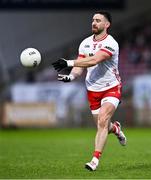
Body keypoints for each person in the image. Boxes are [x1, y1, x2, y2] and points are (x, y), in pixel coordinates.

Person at [52, 11, 127, 171]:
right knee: (104, 126)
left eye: (98, 20)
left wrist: (68, 62)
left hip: (111, 87)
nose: (94, 23)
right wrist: (71, 77)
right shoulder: (85, 43)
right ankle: (116, 129)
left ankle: (95, 160)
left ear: (107, 25)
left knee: (102, 121)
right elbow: (80, 66)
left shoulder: (111, 43)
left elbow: (95, 59)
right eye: (93, 20)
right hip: (92, 89)